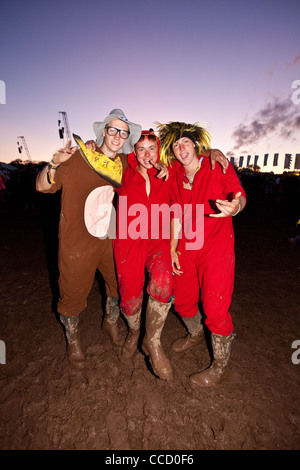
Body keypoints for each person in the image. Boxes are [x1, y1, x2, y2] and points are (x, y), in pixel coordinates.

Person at [112, 131, 229, 381]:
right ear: (134, 152)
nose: (146, 154)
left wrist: (211, 152)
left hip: (159, 240)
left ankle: (152, 343)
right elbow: (102, 160)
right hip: (128, 244)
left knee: (165, 280)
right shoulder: (123, 169)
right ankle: (134, 332)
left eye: (151, 149)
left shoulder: (168, 171)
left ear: (159, 151)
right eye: (140, 149)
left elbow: (191, 158)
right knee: (129, 297)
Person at [36, 109, 142, 368]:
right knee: (72, 296)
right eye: (113, 129)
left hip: (109, 238)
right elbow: (42, 186)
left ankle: (110, 321)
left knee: (118, 284)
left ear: (127, 138)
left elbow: (165, 152)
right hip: (77, 243)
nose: (118, 136)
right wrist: (53, 164)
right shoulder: (79, 158)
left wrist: (210, 153)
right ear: (103, 131)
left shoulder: (126, 162)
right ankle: (73, 339)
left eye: (123, 132)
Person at [157, 121, 246, 387]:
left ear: (195, 144)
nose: (181, 148)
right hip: (186, 245)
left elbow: (239, 196)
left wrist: (236, 207)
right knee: (182, 301)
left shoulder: (216, 165)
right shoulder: (173, 171)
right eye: (175, 144)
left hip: (216, 246)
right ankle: (196, 334)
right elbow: (174, 213)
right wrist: (172, 248)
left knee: (215, 308)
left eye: (185, 142)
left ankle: (219, 367)